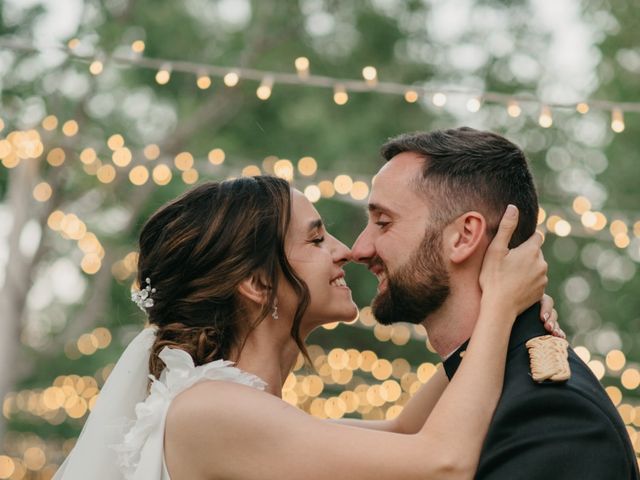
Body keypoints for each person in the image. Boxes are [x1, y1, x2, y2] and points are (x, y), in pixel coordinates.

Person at [54, 175, 555, 480]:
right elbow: (442, 460)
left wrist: (504, 315)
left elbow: (409, 431)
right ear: (256, 282)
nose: (345, 250)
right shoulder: (209, 410)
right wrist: (501, 308)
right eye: (316, 240)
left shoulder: (245, 410)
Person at [352, 127, 639, 479]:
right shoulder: (456, 404)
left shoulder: (552, 415)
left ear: (465, 236)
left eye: (383, 222)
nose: (359, 249)